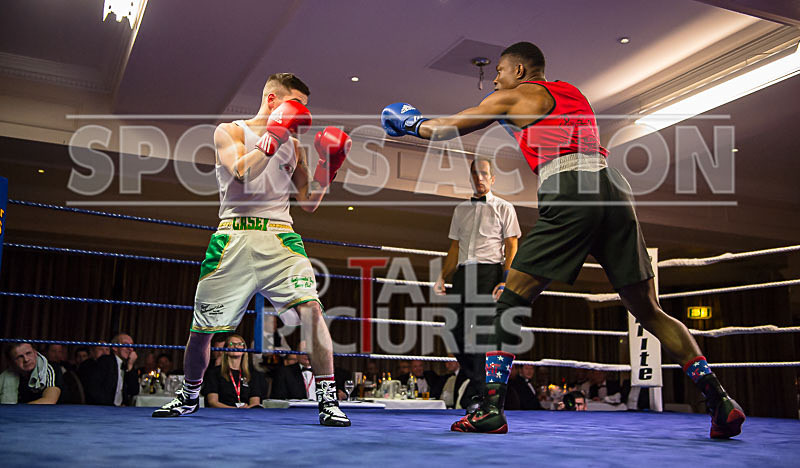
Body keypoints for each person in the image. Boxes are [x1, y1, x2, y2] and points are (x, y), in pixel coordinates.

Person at [381, 41, 744, 438]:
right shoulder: (572, 91)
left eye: (499, 71)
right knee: (649, 310)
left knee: (506, 304)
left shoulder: (512, 94)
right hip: (614, 189)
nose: (495, 79)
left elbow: (444, 128)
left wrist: (411, 122)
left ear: (518, 71)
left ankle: (489, 409)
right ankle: (720, 401)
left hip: (570, 188)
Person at [153, 73, 352, 427]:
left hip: (280, 236)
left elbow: (308, 203)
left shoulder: (295, 146)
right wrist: (274, 134)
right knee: (203, 328)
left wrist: (329, 165)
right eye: (297, 106)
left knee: (312, 310)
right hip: (233, 236)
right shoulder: (230, 131)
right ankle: (188, 396)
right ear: (274, 100)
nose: (303, 116)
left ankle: (327, 399)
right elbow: (242, 172)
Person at [433, 157, 520, 408]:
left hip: (489, 273)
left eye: (484, 173)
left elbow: (512, 244)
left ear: (492, 178)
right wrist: (442, 275)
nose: (479, 178)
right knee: (453, 331)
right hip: (463, 274)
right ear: (471, 177)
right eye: (475, 173)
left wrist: (505, 279)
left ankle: (480, 393)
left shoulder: (504, 207)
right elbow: (454, 247)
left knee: (481, 335)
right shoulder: (460, 210)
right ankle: (476, 381)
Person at [203, 334, 265, 408]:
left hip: (245, 416)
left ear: (244, 350)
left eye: (240, 344)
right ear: (225, 350)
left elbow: (255, 402)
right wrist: (235, 410)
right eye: (232, 344)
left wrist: (246, 409)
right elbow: (212, 402)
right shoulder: (214, 373)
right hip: (222, 415)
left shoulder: (252, 374)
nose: (236, 346)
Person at [84, 333, 139, 406]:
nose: (130, 349)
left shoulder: (128, 365)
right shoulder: (105, 361)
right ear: (115, 347)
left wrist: (130, 365)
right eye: (126, 345)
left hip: (121, 410)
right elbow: (94, 391)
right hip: (104, 409)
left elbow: (134, 391)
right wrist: (112, 407)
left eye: (132, 345)